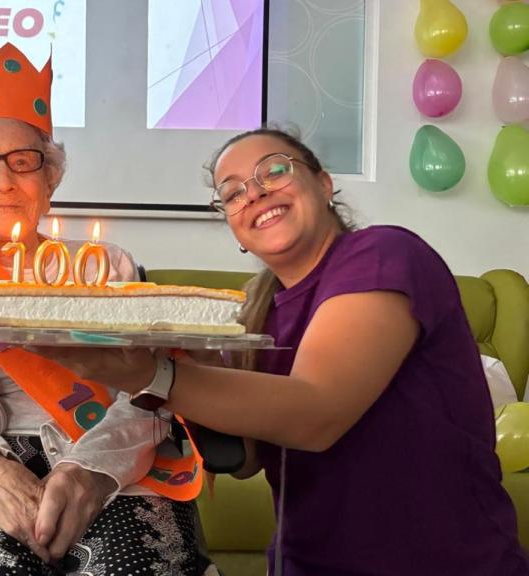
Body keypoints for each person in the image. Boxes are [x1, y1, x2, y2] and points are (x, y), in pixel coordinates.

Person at [32, 127, 529, 575]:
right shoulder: (256, 316)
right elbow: (245, 458)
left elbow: (316, 413)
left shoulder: (384, 255)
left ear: (325, 183)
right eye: (232, 193)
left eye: (273, 170)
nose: (256, 193)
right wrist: (185, 355)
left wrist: (152, 375)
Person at [0, 43, 216, 575]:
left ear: (51, 178)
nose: (2, 180)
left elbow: (145, 393)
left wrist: (91, 472)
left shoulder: (107, 266)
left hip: (104, 458)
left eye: (23, 161)